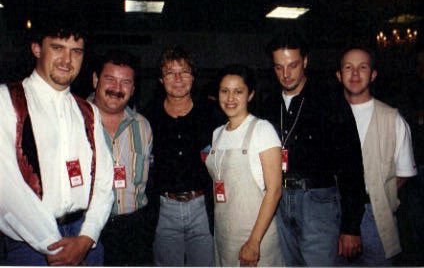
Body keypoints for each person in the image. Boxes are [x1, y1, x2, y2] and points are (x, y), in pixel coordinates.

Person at [0, 18, 114, 265]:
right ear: (37, 48)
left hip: (87, 240)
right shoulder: (6, 101)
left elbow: (105, 180)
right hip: (32, 246)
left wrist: (87, 237)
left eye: (76, 51)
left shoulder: (88, 111)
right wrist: (53, 244)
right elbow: (7, 187)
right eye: (57, 48)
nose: (67, 60)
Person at [259, 29, 367, 266]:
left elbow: (351, 164)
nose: (286, 74)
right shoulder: (268, 104)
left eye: (293, 65)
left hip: (318, 202)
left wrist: (351, 226)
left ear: (305, 61)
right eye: (279, 67)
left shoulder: (329, 99)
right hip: (279, 200)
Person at [335, 46, 417, 265]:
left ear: (373, 74)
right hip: (332, 213)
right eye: (348, 67)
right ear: (338, 74)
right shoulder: (327, 115)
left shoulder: (392, 119)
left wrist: (375, 195)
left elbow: (404, 173)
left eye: (362, 67)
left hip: (375, 216)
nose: (354, 74)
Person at [144, 46, 219, 266]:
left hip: (203, 209)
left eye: (184, 71)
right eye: (170, 72)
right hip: (163, 210)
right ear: (161, 79)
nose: (178, 78)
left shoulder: (212, 114)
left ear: (193, 77)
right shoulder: (147, 117)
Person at [205, 64, 283, 266]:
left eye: (238, 91)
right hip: (223, 235)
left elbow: (274, 190)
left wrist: (254, 241)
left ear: (250, 95)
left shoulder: (262, 130)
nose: (230, 98)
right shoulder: (217, 134)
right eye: (225, 91)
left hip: (254, 235)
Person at [88, 50, 153, 265]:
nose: (117, 88)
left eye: (126, 82)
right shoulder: (75, 120)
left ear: (133, 89)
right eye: (110, 79)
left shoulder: (143, 126)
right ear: (96, 79)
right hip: (90, 228)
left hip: (136, 229)